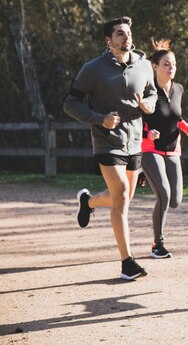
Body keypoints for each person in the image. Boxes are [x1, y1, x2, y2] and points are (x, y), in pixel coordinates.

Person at [63, 16, 157, 280]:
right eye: (119, 34)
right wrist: (98, 119)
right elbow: (70, 103)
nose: (126, 38)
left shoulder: (144, 66)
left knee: (123, 198)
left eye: (127, 33)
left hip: (135, 140)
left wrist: (149, 104)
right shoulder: (93, 69)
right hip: (107, 140)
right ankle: (128, 262)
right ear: (109, 40)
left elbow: (152, 93)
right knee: (122, 193)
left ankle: (88, 201)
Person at [141, 39, 188, 259]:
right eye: (166, 64)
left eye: (173, 64)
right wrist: (147, 134)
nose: (171, 67)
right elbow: (135, 119)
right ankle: (157, 244)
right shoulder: (147, 90)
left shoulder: (178, 88)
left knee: (175, 200)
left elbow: (174, 116)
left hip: (173, 149)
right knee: (163, 195)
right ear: (154, 66)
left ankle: (145, 175)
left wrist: (185, 126)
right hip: (149, 148)